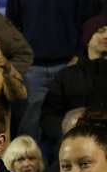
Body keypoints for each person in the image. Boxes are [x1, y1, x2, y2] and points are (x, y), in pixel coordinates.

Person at [8, 0, 96, 144]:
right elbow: (12, 27)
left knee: (73, 128)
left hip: (70, 66)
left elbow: (89, 25)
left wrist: (78, 56)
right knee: (30, 130)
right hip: (32, 69)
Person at [41, 16, 107, 145]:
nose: (106, 36)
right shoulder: (66, 76)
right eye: (100, 31)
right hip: (72, 145)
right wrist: (66, 127)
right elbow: (48, 116)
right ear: (87, 39)